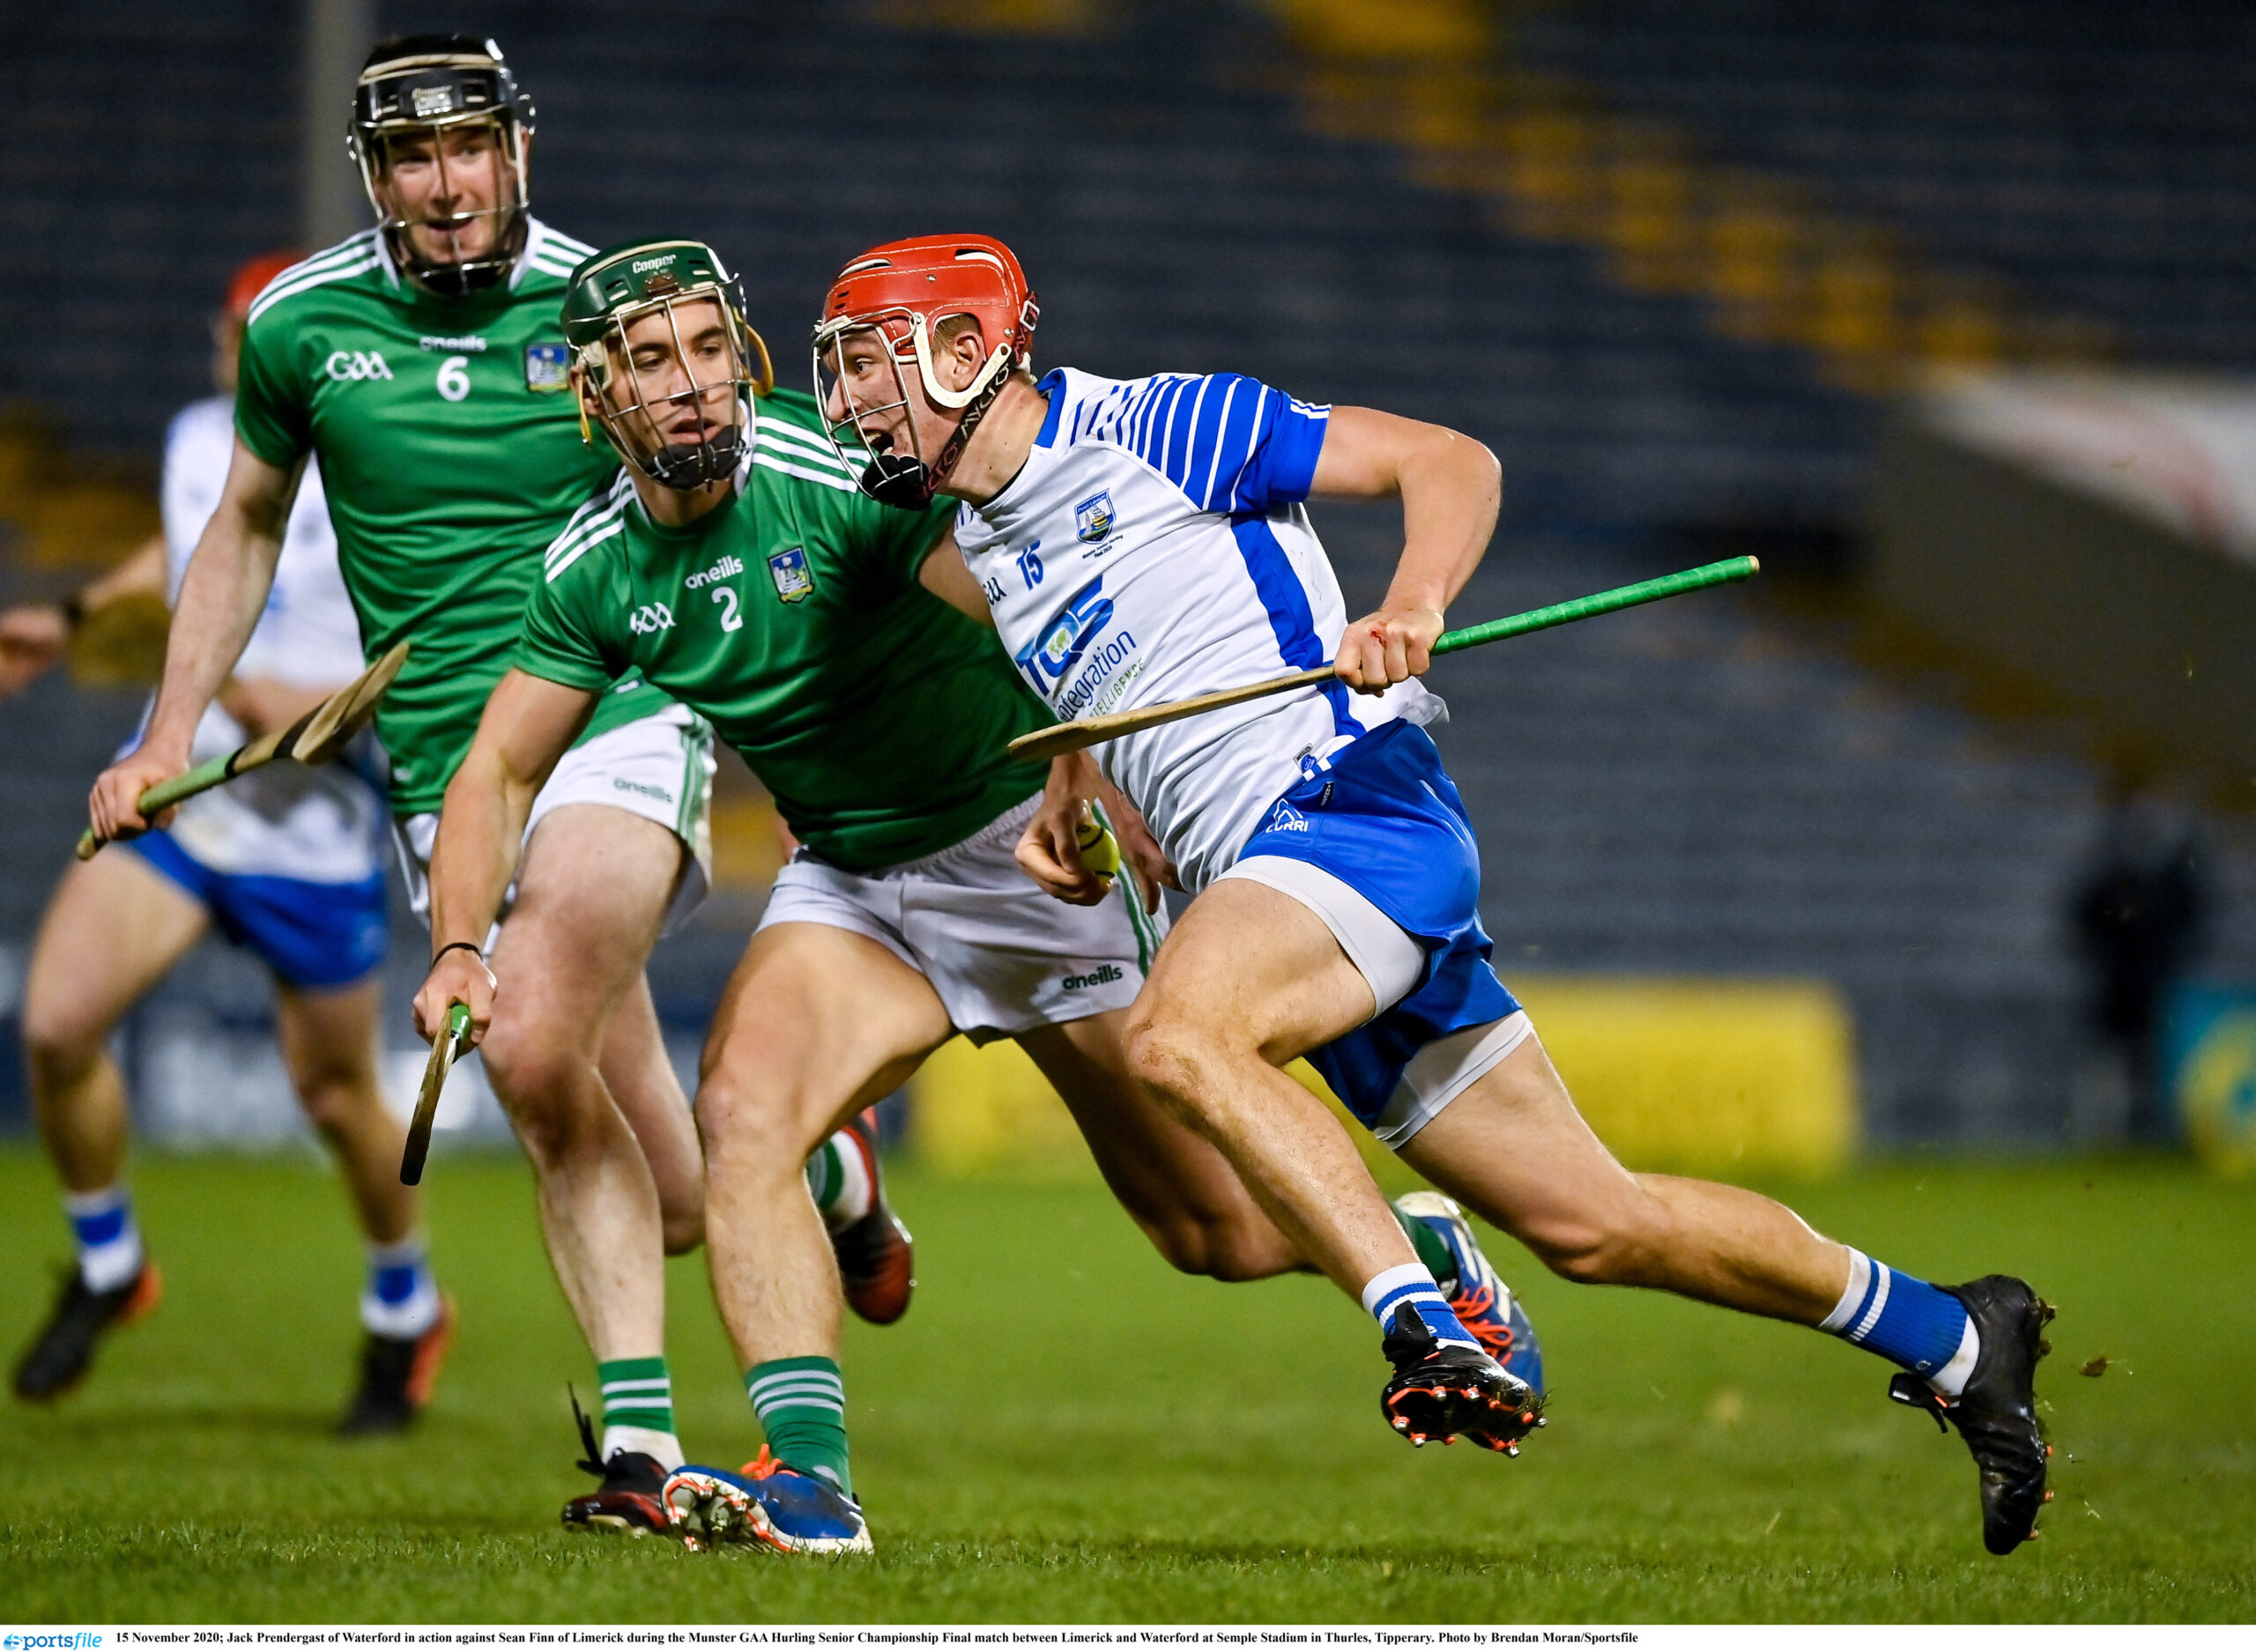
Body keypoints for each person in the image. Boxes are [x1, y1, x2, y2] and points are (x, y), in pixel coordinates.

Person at [814, 233, 2057, 1558]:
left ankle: (1421, 1316)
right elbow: (1110, 674)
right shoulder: (981, 543)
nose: (849, 405)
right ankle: (1957, 1334)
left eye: (866, 368)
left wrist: (1411, 599)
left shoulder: (1162, 420)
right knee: (1596, 1224)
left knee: (1182, 1036)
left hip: (1352, 814)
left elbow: (1450, 460)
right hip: (1273, 893)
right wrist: (1082, 785)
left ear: (964, 350)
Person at [414, 238, 1538, 1557]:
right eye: (654, 362)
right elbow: (496, 767)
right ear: (594, 394)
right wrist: (455, 944)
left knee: (1213, 1232)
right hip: (851, 882)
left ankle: (1424, 1252)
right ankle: (812, 1487)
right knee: (743, 1112)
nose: (695, 388)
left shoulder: (833, 478)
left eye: (713, 350)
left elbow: (1035, 609)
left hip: (1018, 862)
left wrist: (1088, 777)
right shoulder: (594, 568)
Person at [86, 39, 888, 1535]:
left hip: (618, 712)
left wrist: (800, 731)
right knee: (678, 1188)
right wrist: (165, 734)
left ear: (518, 149)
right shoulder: (300, 326)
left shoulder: (610, 309)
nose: (443, 185)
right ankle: (827, 1186)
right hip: (443, 770)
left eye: (468, 149)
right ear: (372, 176)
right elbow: (244, 534)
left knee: (519, 1032)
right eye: (409, 158)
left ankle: (640, 1455)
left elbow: (732, 512)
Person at [5, 251, 449, 1433]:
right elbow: (183, 548)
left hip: (316, 826)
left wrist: (308, 702)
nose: (248, 354)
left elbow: (420, 618)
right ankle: (111, 1265)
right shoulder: (205, 437)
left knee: (338, 1094)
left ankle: (404, 1306)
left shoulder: (381, 453)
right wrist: (70, 621)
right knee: (54, 1024)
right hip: (197, 805)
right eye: (238, 333)